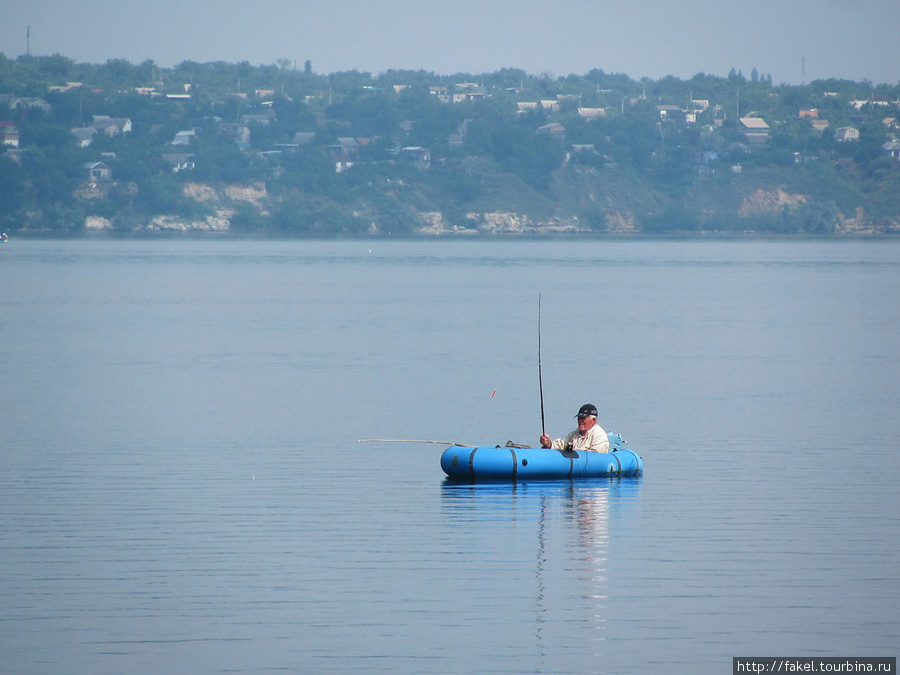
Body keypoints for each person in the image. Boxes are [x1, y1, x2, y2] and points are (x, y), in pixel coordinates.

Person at [540, 403, 610, 453]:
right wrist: (547, 443)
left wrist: (573, 453)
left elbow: (596, 455)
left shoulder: (599, 435)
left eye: (583, 418)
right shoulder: (574, 434)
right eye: (579, 418)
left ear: (593, 420)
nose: (580, 421)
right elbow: (562, 445)